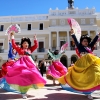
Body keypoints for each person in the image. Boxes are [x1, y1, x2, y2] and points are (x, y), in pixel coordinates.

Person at [0, 32, 46, 99]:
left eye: (27, 43)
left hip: (29, 65)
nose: (26, 44)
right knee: (22, 77)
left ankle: (25, 91)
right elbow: (14, 45)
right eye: (24, 43)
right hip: (21, 65)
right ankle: (23, 93)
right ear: (22, 44)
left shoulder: (30, 50)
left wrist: (35, 39)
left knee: (30, 77)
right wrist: (12, 37)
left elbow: (36, 46)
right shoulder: (20, 49)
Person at [58, 29, 100, 99]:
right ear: (82, 42)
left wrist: (98, 35)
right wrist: (72, 34)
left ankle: (91, 91)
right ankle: (88, 93)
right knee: (84, 79)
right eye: (84, 41)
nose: (86, 42)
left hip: (90, 63)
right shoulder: (79, 46)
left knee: (96, 74)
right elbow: (75, 40)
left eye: (87, 41)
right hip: (82, 64)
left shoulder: (90, 46)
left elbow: (94, 41)